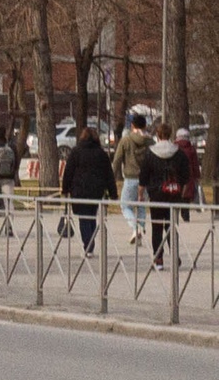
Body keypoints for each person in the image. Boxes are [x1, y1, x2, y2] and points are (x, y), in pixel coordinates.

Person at [141, 121, 194, 270]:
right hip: (174, 193)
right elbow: (185, 174)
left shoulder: (150, 153)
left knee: (157, 227)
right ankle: (175, 255)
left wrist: (141, 192)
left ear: (157, 135)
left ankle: (158, 258)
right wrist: (182, 190)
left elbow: (144, 175)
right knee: (172, 226)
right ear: (170, 134)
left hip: (157, 194)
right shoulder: (178, 153)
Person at [59, 123, 115, 256]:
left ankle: (88, 245)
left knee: (83, 218)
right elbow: (109, 173)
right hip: (96, 190)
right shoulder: (101, 153)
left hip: (79, 190)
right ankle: (90, 242)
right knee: (91, 216)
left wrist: (65, 189)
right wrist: (113, 192)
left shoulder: (76, 151)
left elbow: (69, 172)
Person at [114, 114, 152, 243]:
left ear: (132, 125)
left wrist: (114, 175)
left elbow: (117, 159)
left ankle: (135, 228)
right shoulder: (150, 141)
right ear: (145, 125)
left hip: (130, 177)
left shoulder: (126, 140)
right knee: (141, 206)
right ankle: (140, 230)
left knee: (125, 206)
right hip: (145, 179)